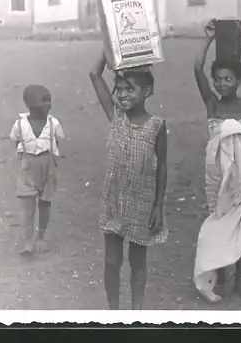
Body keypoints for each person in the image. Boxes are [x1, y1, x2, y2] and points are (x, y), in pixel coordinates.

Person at [192, 19, 241, 303]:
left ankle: (239, 280)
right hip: (217, 175)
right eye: (218, 79)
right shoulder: (212, 104)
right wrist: (209, 39)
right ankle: (220, 273)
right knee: (219, 221)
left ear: (238, 80)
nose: (221, 83)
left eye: (228, 78)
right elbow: (196, 69)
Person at [89, 52, 168, 310]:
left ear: (147, 91)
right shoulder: (116, 117)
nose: (122, 94)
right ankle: (114, 312)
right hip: (113, 201)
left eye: (129, 89)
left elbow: (163, 165)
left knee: (138, 262)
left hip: (142, 204)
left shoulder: (156, 126)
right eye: (119, 89)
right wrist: (110, 45)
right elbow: (94, 74)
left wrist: (158, 205)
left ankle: (137, 313)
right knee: (112, 262)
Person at [10, 85, 65, 256]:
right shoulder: (20, 124)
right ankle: (28, 242)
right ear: (30, 104)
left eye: (49, 100)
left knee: (45, 203)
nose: (48, 103)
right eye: (43, 100)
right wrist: (25, 158)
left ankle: (40, 236)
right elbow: (16, 141)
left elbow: (58, 141)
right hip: (27, 167)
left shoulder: (53, 123)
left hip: (47, 167)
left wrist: (50, 161)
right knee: (27, 208)